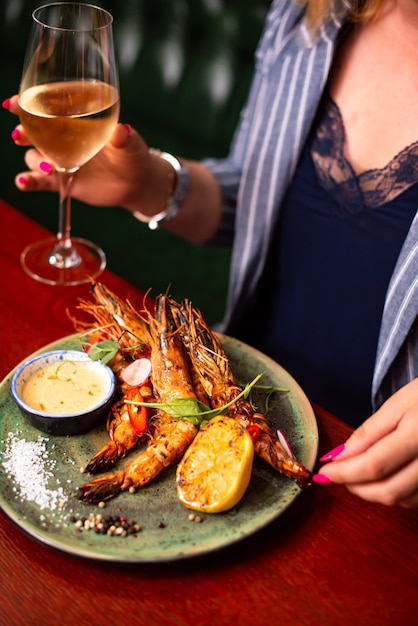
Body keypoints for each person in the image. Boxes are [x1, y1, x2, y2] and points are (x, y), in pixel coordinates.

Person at [4, 0, 418, 508]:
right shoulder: (308, 15)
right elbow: (257, 194)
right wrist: (149, 182)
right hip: (250, 383)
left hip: (389, 487)